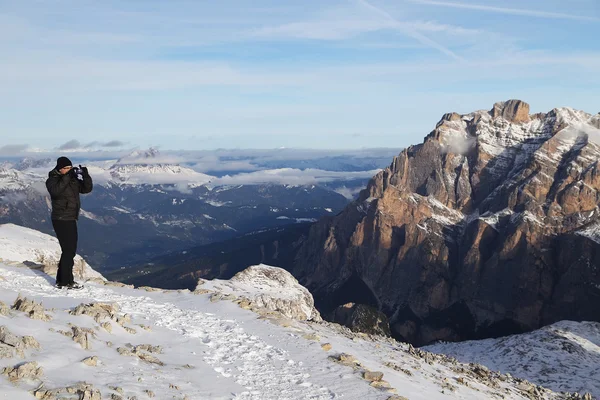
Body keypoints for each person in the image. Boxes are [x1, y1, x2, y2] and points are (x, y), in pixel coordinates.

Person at [45, 156, 93, 289]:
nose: (68, 170)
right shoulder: (52, 180)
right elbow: (56, 191)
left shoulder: (72, 179)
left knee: (69, 251)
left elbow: (86, 189)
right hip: (61, 218)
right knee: (68, 251)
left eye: (70, 168)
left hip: (71, 217)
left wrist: (85, 175)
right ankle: (66, 281)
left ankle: (62, 280)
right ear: (59, 169)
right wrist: (68, 176)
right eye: (66, 168)